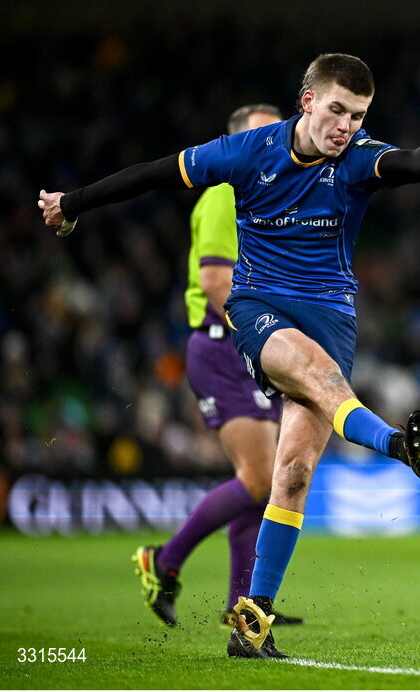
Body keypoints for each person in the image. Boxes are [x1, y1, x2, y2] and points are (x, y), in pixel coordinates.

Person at [38, 53, 420, 659]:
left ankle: (250, 623)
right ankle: (398, 446)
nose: (346, 125)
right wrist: (73, 202)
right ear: (307, 101)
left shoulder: (359, 158)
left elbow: (409, 161)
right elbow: (157, 173)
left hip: (332, 318)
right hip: (261, 308)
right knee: (315, 377)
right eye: (337, 109)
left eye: (358, 115)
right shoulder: (250, 151)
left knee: (292, 474)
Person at [131, 103, 303, 630]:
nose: (271, 142)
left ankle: (240, 603)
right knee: (257, 479)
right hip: (224, 346)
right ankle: (161, 560)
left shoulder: (263, 197)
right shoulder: (224, 196)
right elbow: (214, 282)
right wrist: (269, 339)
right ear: (233, 146)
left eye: (276, 131)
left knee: (262, 482)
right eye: (258, 135)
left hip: (245, 347)